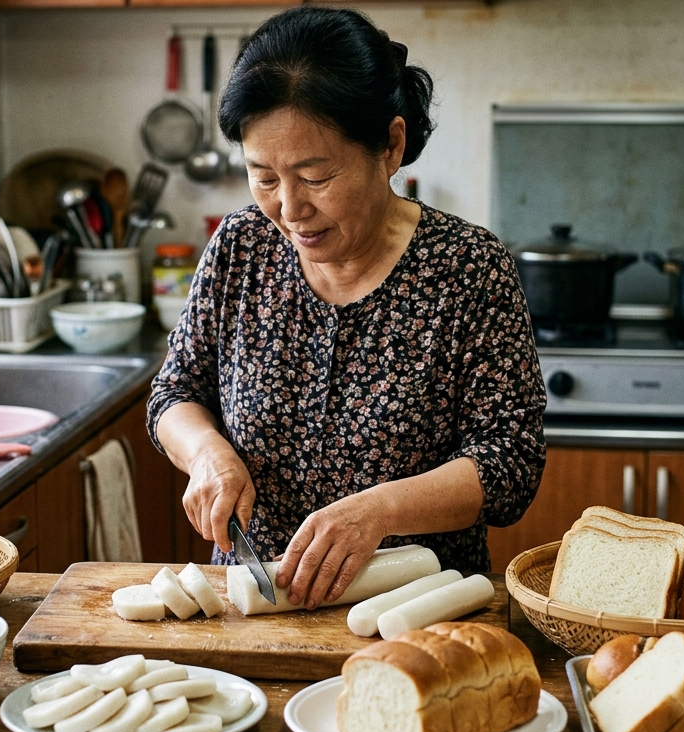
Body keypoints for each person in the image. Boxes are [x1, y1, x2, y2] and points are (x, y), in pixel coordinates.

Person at [147, 6, 545, 610]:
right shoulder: (240, 247)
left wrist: (381, 511)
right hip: (251, 611)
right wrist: (207, 454)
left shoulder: (469, 268)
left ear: (390, 144)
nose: (288, 207)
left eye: (315, 175)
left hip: (415, 616)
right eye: (263, 176)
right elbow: (175, 394)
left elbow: (510, 460)